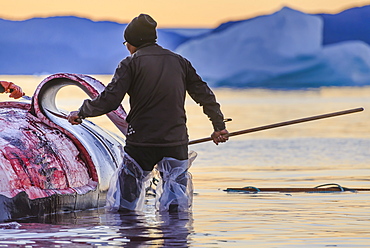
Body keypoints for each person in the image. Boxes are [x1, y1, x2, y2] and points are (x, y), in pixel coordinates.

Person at [67, 14, 229, 212]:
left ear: (134, 42)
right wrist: (219, 127)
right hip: (175, 141)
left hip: (142, 142)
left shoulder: (130, 64)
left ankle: (131, 236)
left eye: (127, 42)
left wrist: (82, 113)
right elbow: (205, 96)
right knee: (176, 202)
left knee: (125, 203)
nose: (126, 47)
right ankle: (175, 238)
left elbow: (109, 100)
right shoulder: (180, 62)